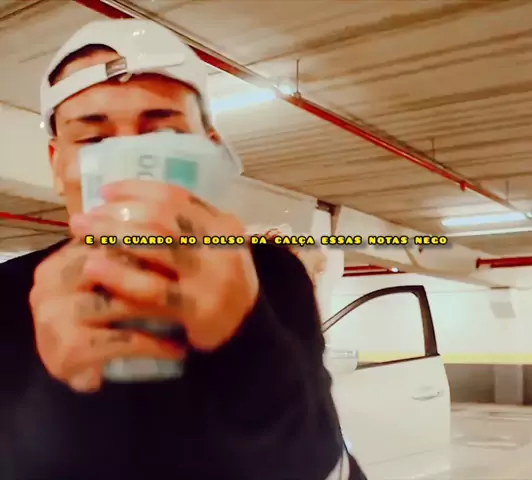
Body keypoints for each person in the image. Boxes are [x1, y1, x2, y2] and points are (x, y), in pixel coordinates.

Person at [0, 19, 366, 480]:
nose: (129, 164)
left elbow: (324, 466)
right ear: (58, 165)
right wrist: (61, 385)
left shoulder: (271, 275)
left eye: (165, 135)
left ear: (208, 151)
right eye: (94, 140)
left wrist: (246, 337)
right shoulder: (10, 294)